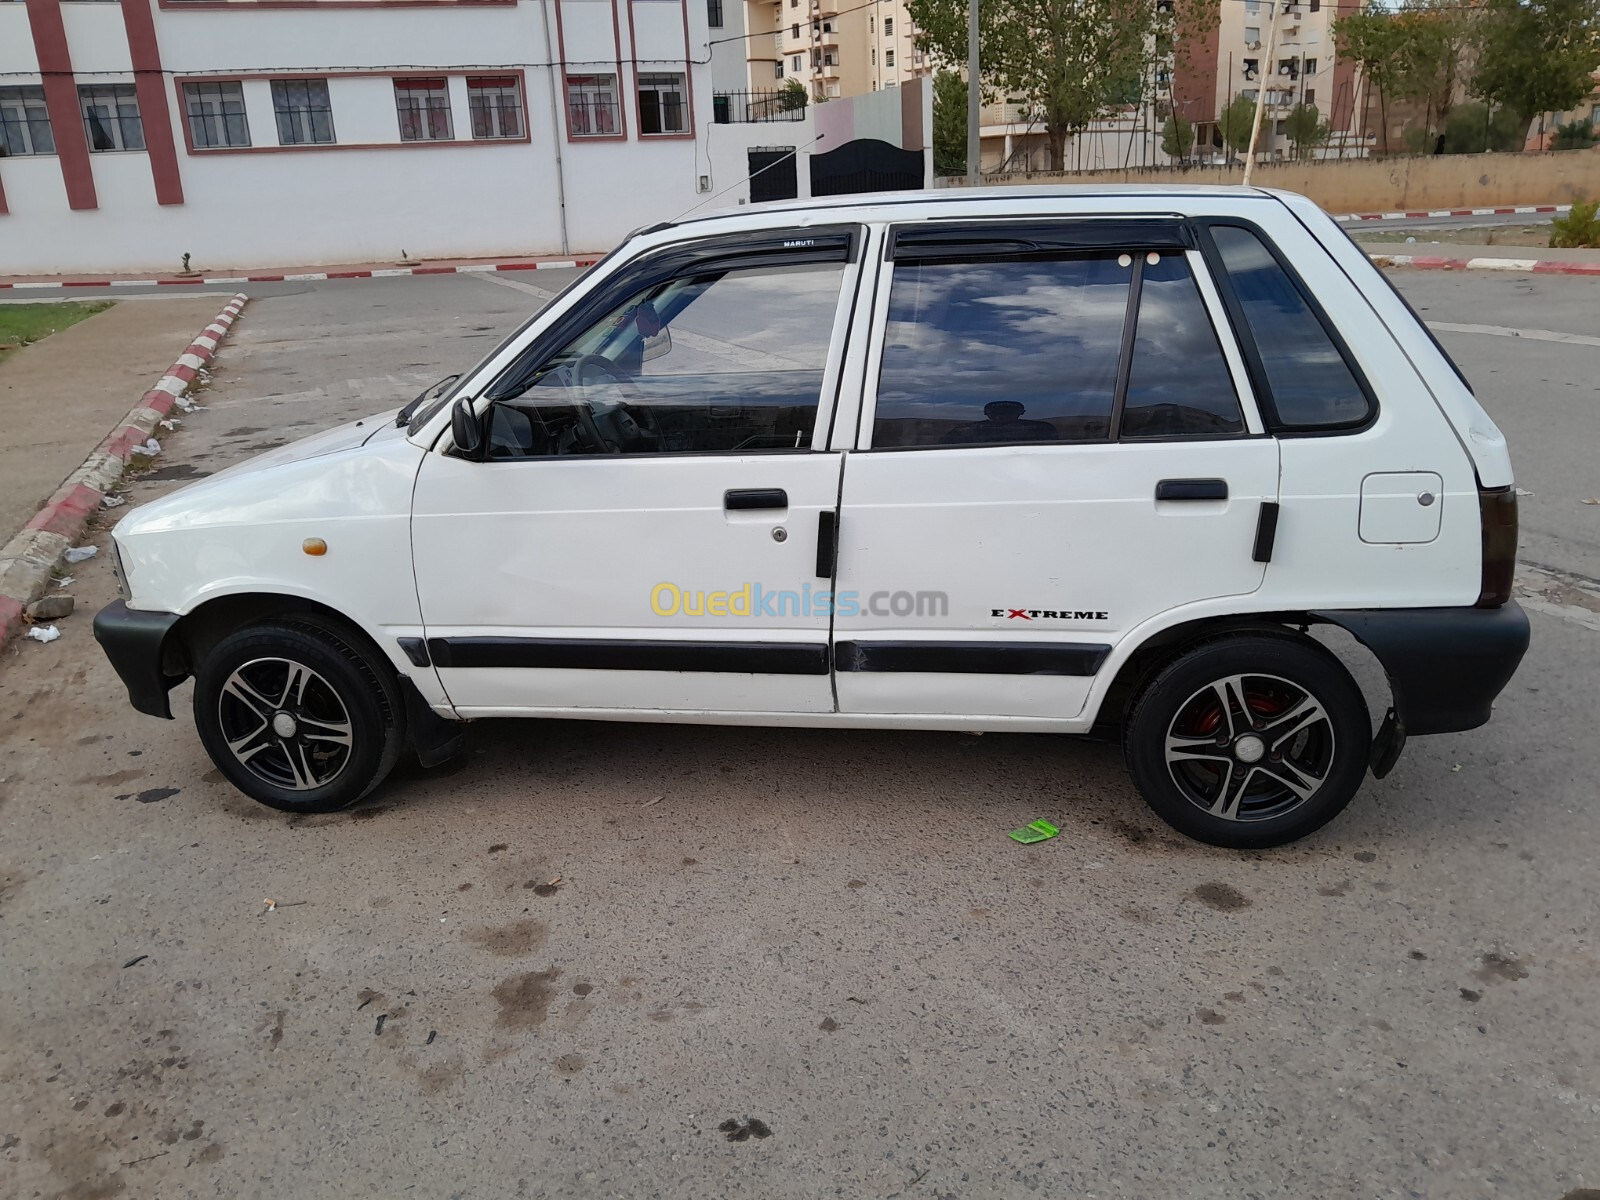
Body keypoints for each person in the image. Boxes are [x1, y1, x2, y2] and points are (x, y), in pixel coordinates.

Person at [940, 399, 1057, 444]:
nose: (1001, 417)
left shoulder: (1040, 429)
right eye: (997, 413)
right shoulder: (965, 431)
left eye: (1008, 413)